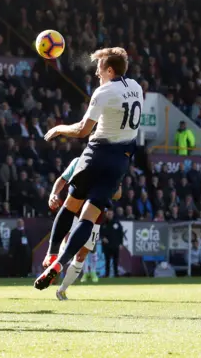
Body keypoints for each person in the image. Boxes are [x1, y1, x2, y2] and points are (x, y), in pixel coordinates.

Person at [35, 47, 140, 290]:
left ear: (110, 70)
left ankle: (51, 254)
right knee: (89, 218)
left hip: (97, 154)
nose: (96, 73)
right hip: (121, 161)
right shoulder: (136, 87)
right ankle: (60, 263)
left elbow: (83, 130)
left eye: (99, 68)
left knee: (71, 205)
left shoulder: (103, 92)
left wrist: (59, 129)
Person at [49, 157, 122, 300]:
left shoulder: (114, 165)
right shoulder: (78, 161)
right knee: (67, 245)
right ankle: (54, 268)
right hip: (74, 212)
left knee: (81, 255)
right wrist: (53, 194)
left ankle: (62, 289)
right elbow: (62, 179)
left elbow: (118, 194)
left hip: (95, 216)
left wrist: (106, 188)